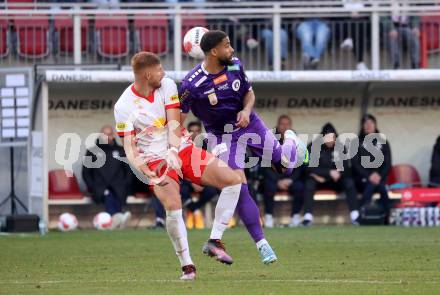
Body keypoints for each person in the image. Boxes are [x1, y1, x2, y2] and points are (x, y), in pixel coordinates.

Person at [179, 30, 308, 264]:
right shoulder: (191, 84)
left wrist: (246, 111)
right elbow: (179, 119)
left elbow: (249, 94)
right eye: (227, 46)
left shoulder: (235, 65)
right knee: (237, 185)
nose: (232, 50)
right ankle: (262, 244)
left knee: (286, 166)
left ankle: (290, 141)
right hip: (221, 136)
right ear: (214, 52)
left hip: (250, 124)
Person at [114, 51, 243, 281]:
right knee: (173, 206)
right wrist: (147, 173)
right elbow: (130, 149)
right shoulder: (123, 106)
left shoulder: (167, 85)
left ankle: (214, 241)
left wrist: (174, 151)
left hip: (181, 148)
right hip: (154, 159)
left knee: (233, 181)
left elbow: (174, 123)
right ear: (147, 74)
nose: (163, 72)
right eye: (159, 69)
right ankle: (188, 266)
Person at [301, 123, 360, 226]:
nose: (330, 140)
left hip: (335, 181)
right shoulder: (313, 146)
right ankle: (307, 218)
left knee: (349, 182)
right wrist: (327, 173)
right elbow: (308, 167)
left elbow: (346, 168)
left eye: (332, 137)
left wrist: (339, 173)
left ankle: (356, 217)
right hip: (319, 181)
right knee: (309, 183)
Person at [82, 125, 132, 229]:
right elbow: (86, 172)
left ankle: (115, 221)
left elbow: (129, 170)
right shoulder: (92, 151)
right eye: (104, 134)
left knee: (116, 194)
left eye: (109, 134)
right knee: (108, 195)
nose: (107, 137)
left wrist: (125, 183)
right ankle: (119, 218)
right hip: (100, 187)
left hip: (119, 186)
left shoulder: (120, 150)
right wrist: (92, 186)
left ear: (113, 135)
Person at [181, 121, 219, 229]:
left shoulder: (207, 146)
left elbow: (209, 167)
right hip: (187, 181)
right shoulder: (182, 145)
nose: (194, 134)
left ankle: (194, 209)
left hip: (203, 180)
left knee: (213, 190)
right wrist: (192, 182)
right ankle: (195, 212)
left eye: (197, 131)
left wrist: (200, 182)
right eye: (191, 131)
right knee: (181, 189)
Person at [352, 114, 392, 218]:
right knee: (370, 186)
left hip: (380, 179)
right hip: (362, 179)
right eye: (365, 123)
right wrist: (369, 176)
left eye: (371, 123)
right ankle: (364, 216)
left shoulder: (383, 142)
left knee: (382, 188)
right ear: (362, 126)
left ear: (375, 125)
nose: (368, 125)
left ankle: (386, 217)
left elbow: (388, 164)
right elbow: (355, 164)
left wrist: (379, 176)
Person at [385, 0, 420, 69]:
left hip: (407, 26)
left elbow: (415, 15)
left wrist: (415, 26)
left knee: (413, 35)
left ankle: (415, 65)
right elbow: (383, 17)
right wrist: (390, 28)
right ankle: (396, 65)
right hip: (392, 27)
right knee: (392, 38)